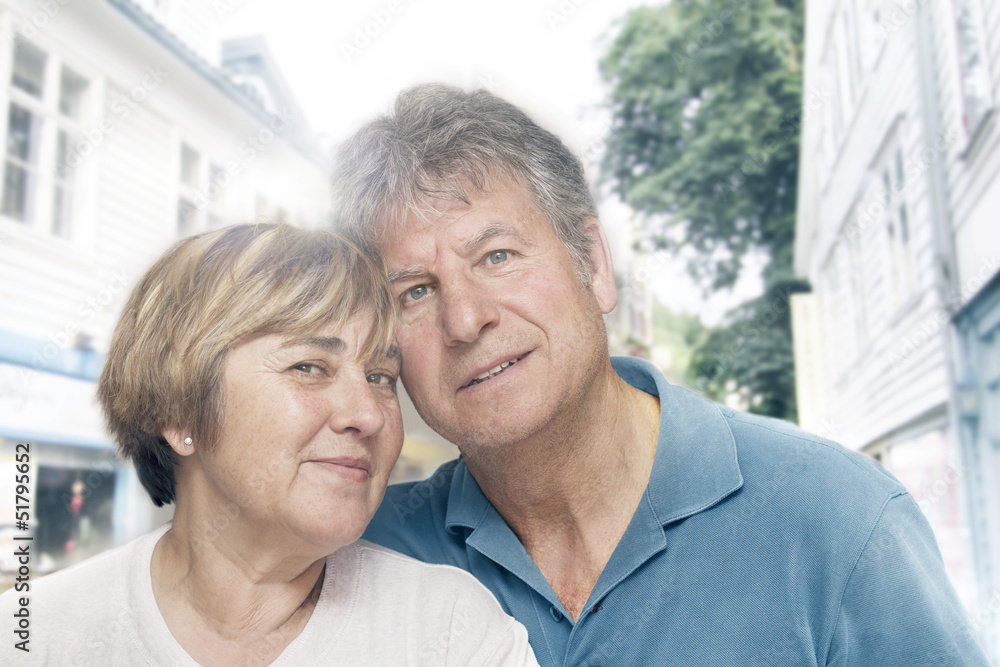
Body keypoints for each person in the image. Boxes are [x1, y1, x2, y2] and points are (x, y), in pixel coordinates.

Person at [334, 85, 992, 666]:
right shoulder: (356, 557)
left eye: (497, 255)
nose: (467, 318)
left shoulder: (838, 517)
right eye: (415, 292)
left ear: (594, 263)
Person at [0, 223, 539, 666]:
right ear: (179, 411)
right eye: (309, 367)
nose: (368, 415)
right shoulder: (32, 638)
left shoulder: (452, 634)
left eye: (380, 377)